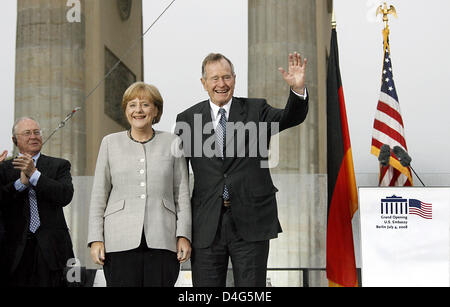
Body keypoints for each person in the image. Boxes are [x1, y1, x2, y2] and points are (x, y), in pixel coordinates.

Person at [175, 52, 309, 287]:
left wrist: (297, 91)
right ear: (203, 83)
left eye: (226, 77)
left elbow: (290, 117)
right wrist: (181, 230)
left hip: (251, 221)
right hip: (206, 225)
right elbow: (178, 180)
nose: (221, 84)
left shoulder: (257, 110)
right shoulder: (187, 119)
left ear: (234, 79)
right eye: (214, 78)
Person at [87, 82, 192, 287]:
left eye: (145, 104)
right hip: (118, 242)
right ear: (126, 110)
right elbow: (99, 194)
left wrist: (183, 235)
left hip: (163, 240)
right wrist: (96, 239)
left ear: (156, 110)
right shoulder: (109, 143)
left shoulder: (173, 142)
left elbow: (181, 194)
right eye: (132, 105)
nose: (138, 110)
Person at [0, 118, 74, 287]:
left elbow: (65, 195)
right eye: (27, 133)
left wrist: (34, 175)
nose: (33, 136)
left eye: (37, 132)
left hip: (52, 251)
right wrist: (20, 184)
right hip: (14, 252)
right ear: (14, 140)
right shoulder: (3, 169)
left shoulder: (59, 165)